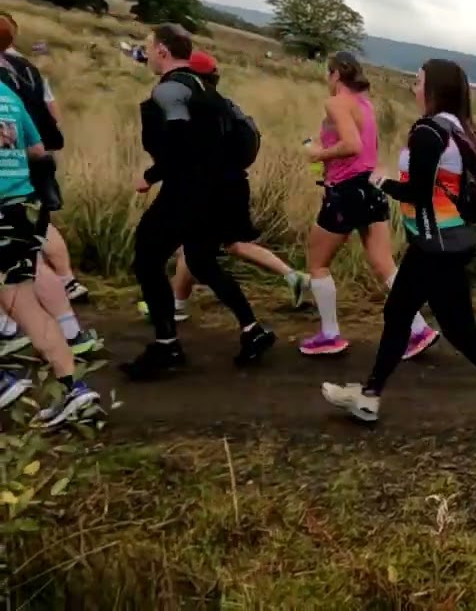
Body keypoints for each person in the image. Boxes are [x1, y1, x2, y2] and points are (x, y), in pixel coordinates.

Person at [321, 59, 476, 435]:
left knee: (438, 325)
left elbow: (418, 193)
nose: (413, 87)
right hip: (445, 241)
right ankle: (369, 395)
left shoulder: (428, 131)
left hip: (435, 245)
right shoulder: (459, 127)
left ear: (435, 88)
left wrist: (380, 182)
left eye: (418, 81)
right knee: (437, 324)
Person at [122, 23, 275, 379]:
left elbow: (182, 146)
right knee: (202, 261)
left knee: (147, 258)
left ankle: (165, 346)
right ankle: (252, 330)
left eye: (149, 47)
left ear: (162, 50)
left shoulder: (170, 90)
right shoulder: (205, 88)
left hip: (190, 191)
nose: (146, 54)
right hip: (225, 189)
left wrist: (150, 175)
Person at [135, 50, 309, 323]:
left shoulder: (196, 108)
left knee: (202, 248)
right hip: (232, 185)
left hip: (212, 189)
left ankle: (196, 310)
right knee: (212, 246)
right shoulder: (223, 106)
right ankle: (286, 280)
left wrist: (153, 174)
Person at [298, 51, 438, 358]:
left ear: (335, 75)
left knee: (318, 263)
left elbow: (352, 145)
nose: (327, 80)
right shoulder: (365, 105)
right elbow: (366, 150)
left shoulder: (336, 103)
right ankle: (419, 329)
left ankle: (330, 335)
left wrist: (318, 154)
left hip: (345, 192)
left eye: (328, 73)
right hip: (370, 187)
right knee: (384, 264)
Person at [0, 56, 102, 427]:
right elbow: (38, 149)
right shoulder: (8, 94)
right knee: (24, 303)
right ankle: (76, 390)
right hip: (20, 206)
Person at [0, 12, 90, 303]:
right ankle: (67, 282)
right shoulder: (29, 68)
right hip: (37, 150)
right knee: (38, 222)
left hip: (11, 153)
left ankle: (25, 313)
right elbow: (52, 112)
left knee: (21, 234)